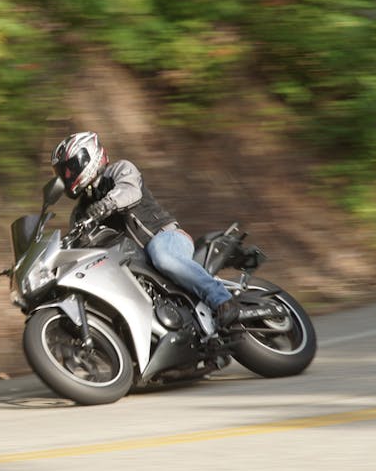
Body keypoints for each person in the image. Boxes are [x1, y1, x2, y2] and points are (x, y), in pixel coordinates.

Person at [51, 131, 239, 330]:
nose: (67, 176)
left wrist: (107, 204)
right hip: (134, 261)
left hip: (165, 237)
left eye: (70, 169)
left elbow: (130, 191)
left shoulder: (120, 170)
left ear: (88, 156)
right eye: (63, 173)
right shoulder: (80, 211)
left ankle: (222, 299)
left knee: (163, 256)